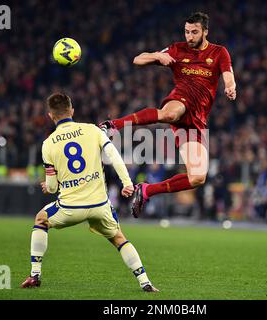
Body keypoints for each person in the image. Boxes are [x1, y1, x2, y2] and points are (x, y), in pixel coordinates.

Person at [100, 12, 236, 217]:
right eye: (187, 32)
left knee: (198, 177)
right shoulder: (177, 49)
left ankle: (146, 190)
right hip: (180, 98)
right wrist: (157, 55)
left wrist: (230, 87)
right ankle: (113, 125)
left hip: (196, 121)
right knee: (171, 114)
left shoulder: (219, 52)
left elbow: (228, 74)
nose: (189, 36)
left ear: (205, 32)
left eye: (194, 32)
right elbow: (138, 59)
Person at [21, 93, 159, 292]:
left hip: (70, 208)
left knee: (41, 219)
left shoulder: (48, 144)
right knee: (119, 238)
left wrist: (47, 186)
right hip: (99, 206)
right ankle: (145, 282)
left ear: (51, 115)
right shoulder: (92, 130)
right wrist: (127, 183)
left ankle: (35, 275)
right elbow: (113, 155)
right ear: (72, 111)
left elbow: (52, 187)